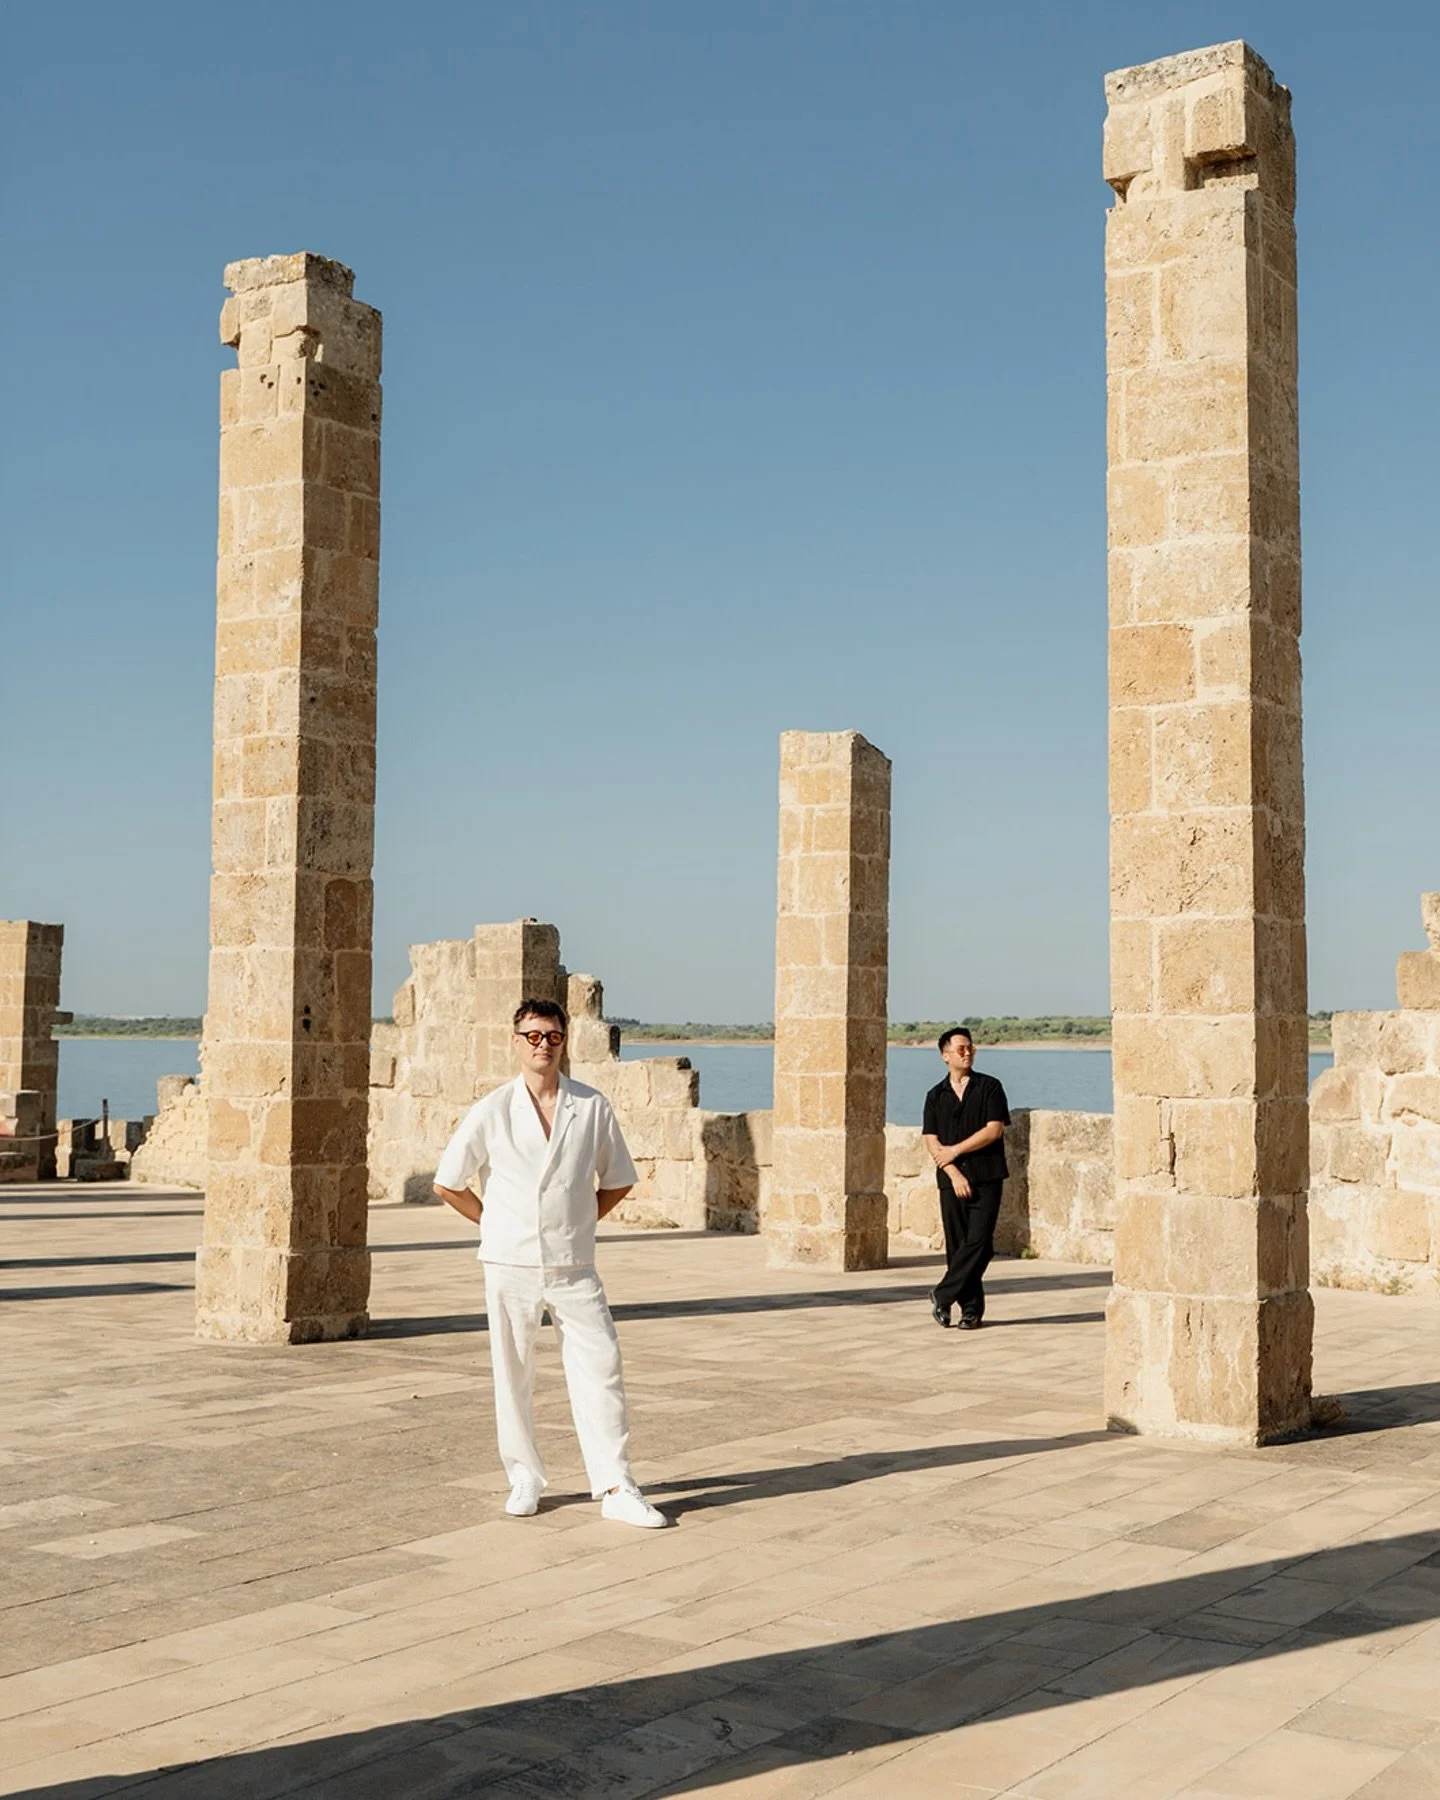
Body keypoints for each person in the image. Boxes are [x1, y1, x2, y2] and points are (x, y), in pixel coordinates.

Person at [433, 997, 667, 1528]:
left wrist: (581, 1222)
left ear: (564, 1041)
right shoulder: (492, 1109)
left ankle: (614, 1484)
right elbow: (448, 1181)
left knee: (601, 1366)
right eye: (533, 1036)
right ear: (516, 1043)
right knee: (513, 1372)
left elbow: (619, 1178)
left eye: (553, 1036)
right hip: (509, 1263)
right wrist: (494, 1223)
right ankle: (525, 1477)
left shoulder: (592, 1105)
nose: (543, 1045)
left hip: (573, 1264)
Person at [922, 1026, 1011, 1330]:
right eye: (960, 1048)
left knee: (981, 1244)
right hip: (951, 1180)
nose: (968, 1051)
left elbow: (994, 1130)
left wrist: (955, 1151)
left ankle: (942, 1294)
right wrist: (953, 1170)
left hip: (987, 1176)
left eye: (970, 1047)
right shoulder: (935, 1096)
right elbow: (931, 1140)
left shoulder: (990, 1087)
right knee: (957, 1245)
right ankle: (969, 1311)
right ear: (945, 1056)